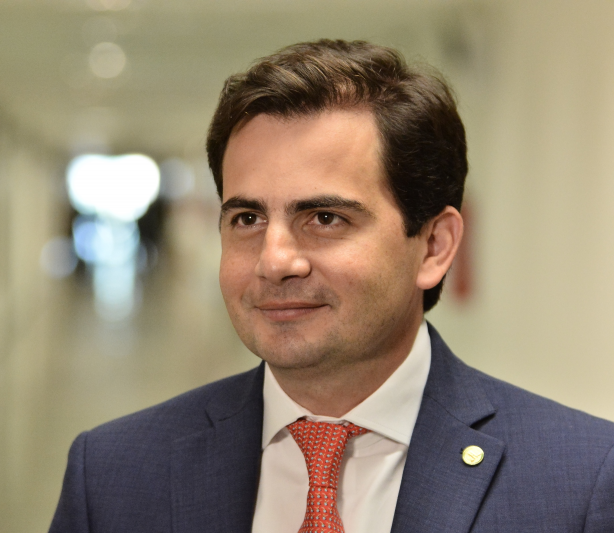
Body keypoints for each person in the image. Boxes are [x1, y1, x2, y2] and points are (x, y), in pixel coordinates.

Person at [48, 39, 614, 533]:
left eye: (324, 218)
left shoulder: (582, 483)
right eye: (247, 218)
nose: (274, 261)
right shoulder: (113, 475)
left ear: (434, 246)